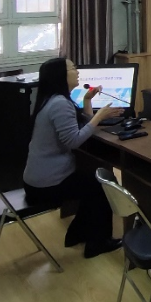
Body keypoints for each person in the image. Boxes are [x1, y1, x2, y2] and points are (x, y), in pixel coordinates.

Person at [23, 57, 123, 258]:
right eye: (73, 68)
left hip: (37, 181)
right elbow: (74, 140)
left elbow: (80, 127)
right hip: (46, 186)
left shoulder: (52, 100)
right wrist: (100, 116)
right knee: (101, 184)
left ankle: (77, 234)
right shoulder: (60, 104)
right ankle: (97, 243)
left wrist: (87, 101)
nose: (77, 72)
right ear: (61, 75)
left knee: (91, 181)